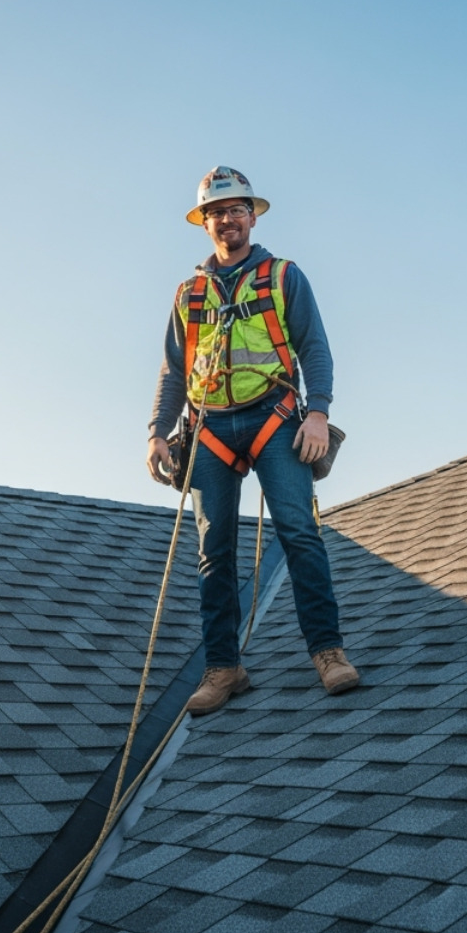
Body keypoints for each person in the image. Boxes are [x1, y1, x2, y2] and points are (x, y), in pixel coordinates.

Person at [146, 166, 359, 715]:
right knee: (212, 553)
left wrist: (318, 414)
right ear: (205, 223)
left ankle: (328, 653)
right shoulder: (189, 292)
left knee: (299, 533)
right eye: (216, 212)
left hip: (275, 417)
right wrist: (157, 434)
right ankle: (224, 668)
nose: (227, 219)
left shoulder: (283, 275)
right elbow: (174, 370)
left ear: (252, 215)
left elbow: (315, 349)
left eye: (236, 209)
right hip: (210, 427)